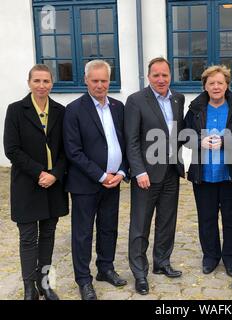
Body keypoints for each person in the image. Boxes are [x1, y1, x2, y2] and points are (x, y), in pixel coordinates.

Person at [63, 60, 128, 300]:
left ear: (109, 81)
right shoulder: (74, 109)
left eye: (104, 80)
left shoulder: (118, 107)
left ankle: (106, 268)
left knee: (108, 228)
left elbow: (126, 143)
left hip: (114, 182)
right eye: (95, 80)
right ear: (86, 80)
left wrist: (121, 172)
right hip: (86, 183)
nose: (100, 85)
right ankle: (83, 279)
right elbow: (73, 150)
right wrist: (101, 175)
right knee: (82, 234)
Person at [3, 64, 68, 300]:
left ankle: (45, 284)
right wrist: (39, 172)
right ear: (29, 82)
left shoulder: (61, 111)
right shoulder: (15, 110)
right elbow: (12, 149)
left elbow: (66, 150)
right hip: (27, 184)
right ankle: (29, 287)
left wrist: (55, 174)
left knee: (48, 235)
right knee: (28, 238)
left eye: (46, 81)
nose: (42, 86)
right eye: (37, 81)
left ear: (52, 83)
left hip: (53, 184)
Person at [124, 57, 185, 295]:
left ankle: (162, 263)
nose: (161, 79)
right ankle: (140, 273)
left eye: (165, 75)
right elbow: (132, 140)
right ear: (148, 77)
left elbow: (178, 133)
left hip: (171, 171)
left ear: (170, 76)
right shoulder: (136, 101)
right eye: (156, 75)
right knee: (140, 224)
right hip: (146, 175)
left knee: (167, 222)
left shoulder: (178, 98)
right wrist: (138, 170)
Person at [184, 65, 232, 277]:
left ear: (227, 84)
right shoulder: (195, 108)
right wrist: (198, 141)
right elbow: (184, 136)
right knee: (207, 218)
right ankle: (210, 257)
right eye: (211, 83)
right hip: (203, 173)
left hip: (230, 173)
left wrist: (225, 141)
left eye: (220, 82)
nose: (216, 86)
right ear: (205, 86)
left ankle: (231, 258)